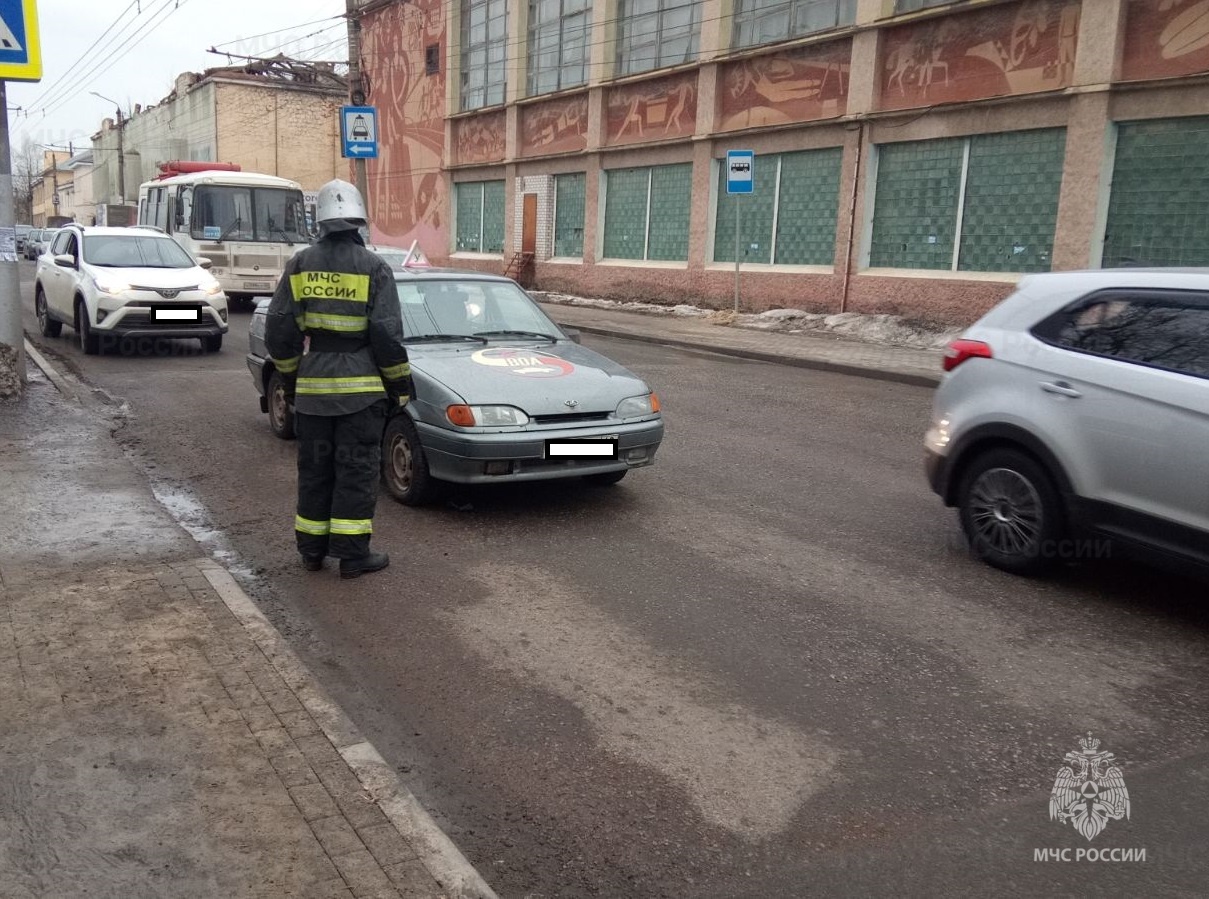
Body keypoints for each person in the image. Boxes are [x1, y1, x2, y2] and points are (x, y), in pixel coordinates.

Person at [265, 179, 412, 579]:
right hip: (361, 398)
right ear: (359, 221)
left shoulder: (299, 263)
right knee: (356, 472)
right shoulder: (375, 267)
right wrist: (400, 386)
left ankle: (311, 552)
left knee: (315, 472)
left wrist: (293, 378)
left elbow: (279, 331)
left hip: (313, 395)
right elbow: (385, 334)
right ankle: (351, 557)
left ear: (321, 221)